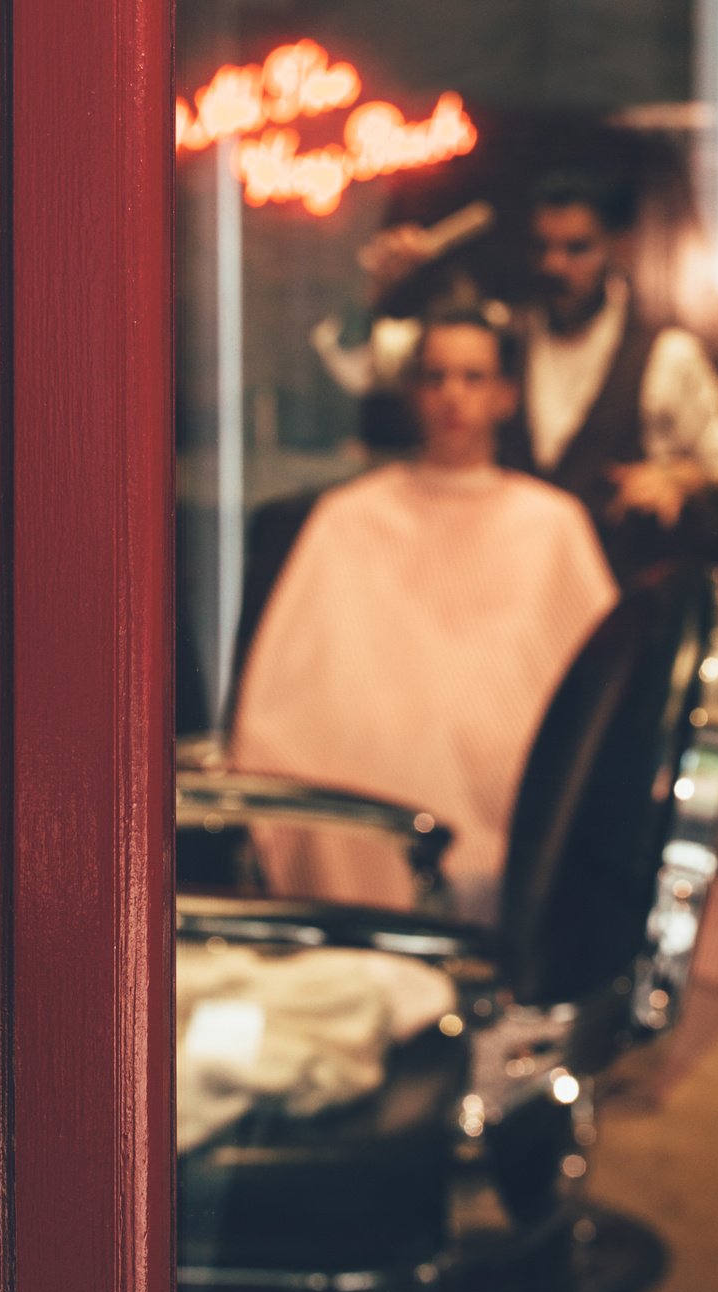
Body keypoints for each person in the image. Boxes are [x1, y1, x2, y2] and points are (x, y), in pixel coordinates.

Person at [232, 302, 617, 919]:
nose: (451, 397)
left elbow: (601, 698)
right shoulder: (349, 518)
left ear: (505, 396)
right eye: (435, 377)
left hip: (516, 828)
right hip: (371, 823)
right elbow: (283, 697)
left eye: (472, 378)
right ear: (413, 392)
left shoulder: (551, 526)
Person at [335, 170, 718, 576]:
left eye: (576, 249)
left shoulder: (667, 358)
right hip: (508, 595)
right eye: (543, 248)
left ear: (619, 249)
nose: (555, 265)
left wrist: (685, 479)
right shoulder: (504, 336)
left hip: (620, 612)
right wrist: (374, 290)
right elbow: (360, 365)